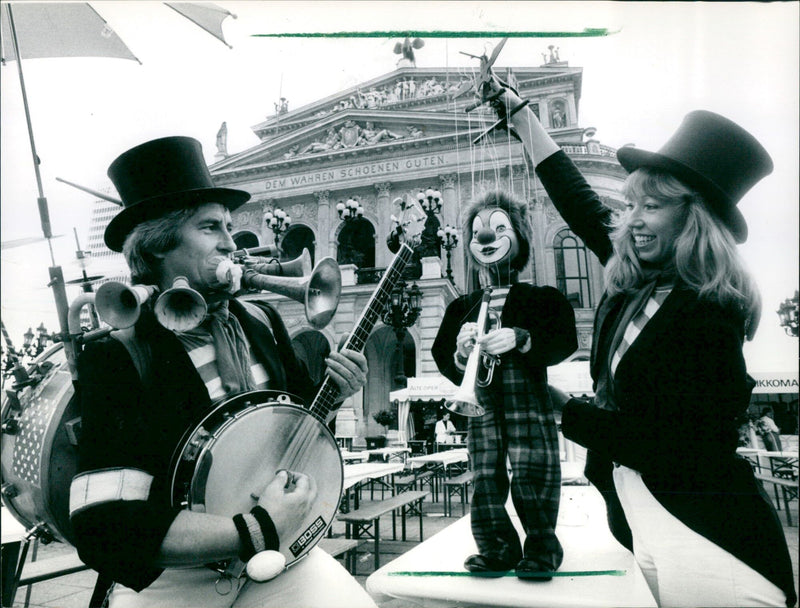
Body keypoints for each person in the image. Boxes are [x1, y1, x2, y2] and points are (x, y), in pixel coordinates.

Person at [488, 79, 796, 606]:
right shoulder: (640, 280)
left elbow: (669, 445)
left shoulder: (711, 312)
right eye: (631, 206)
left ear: (693, 216)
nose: (631, 222)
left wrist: (564, 409)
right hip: (642, 518)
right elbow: (579, 199)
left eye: (650, 207)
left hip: (708, 535)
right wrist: (521, 117)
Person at [69, 136, 376, 608]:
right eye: (211, 227)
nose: (232, 243)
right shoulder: (118, 355)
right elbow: (104, 524)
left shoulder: (262, 321)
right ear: (159, 242)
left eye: (229, 227)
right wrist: (255, 528)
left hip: (281, 559)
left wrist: (333, 394)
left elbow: (294, 433)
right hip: (177, 583)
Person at [432, 190, 577, 579]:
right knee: (484, 473)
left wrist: (522, 337)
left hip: (525, 392)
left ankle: (542, 547)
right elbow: (442, 355)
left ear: (519, 237)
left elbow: (565, 340)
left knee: (535, 466)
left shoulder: (541, 298)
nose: (485, 238)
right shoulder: (460, 306)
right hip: (480, 397)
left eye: (498, 229)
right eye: (478, 231)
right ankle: (496, 546)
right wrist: (461, 355)